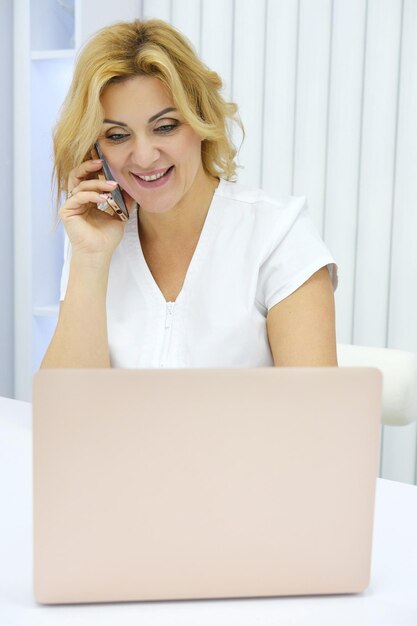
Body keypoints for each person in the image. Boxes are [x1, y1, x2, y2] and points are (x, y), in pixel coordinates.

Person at [41, 18, 338, 370]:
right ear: (97, 151)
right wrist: (90, 260)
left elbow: (312, 417)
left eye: (165, 127)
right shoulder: (94, 239)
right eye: (118, 136)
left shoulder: (277, 234)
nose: (145, 156)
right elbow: (69, 410)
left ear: (201, 122)